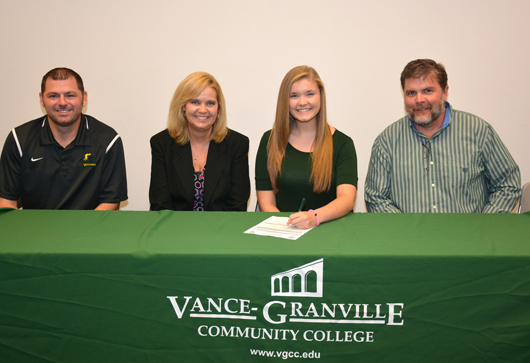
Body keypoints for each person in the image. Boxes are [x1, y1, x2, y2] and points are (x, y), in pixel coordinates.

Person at [365, 59, 521, 213]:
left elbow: (507, 184)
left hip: (470, 236)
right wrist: (406, 230)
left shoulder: (478, 131)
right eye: (411, 93)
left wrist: (483, 225)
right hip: (409, 236)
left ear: (445, 93)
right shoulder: (387, 141)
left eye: (428, 91)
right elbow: (376, 197)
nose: (419, 100)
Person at [0, 67, 127, 210]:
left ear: (84, 98)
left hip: (88, 229)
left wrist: (83, 231)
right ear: (42, 99)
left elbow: (110, 203)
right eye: (53, 96)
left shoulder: (108, 140)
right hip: (33, 229)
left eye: (70, 95)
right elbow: (6, 202)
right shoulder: (19, 140)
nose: (62, 102)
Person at [255, 66, 358, 228]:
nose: (302, 102)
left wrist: (314, 217)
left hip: (330, 232)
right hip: (283, 233)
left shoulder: (343, 143)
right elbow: (266, 204)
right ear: (285, 101)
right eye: (294, 96)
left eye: (310, 94)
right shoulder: (269, 141)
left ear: (321, 96)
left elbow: (346, 199)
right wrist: (287, 229)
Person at [149, 72, 250, 211]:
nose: (203, 110)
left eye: (210, 103)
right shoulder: (161, 144)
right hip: (174, 229)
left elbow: (237, 206)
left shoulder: (237, 145)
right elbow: (160, 205)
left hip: (221, 229)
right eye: (195, 102)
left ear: (218, 108)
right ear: (183, 106)